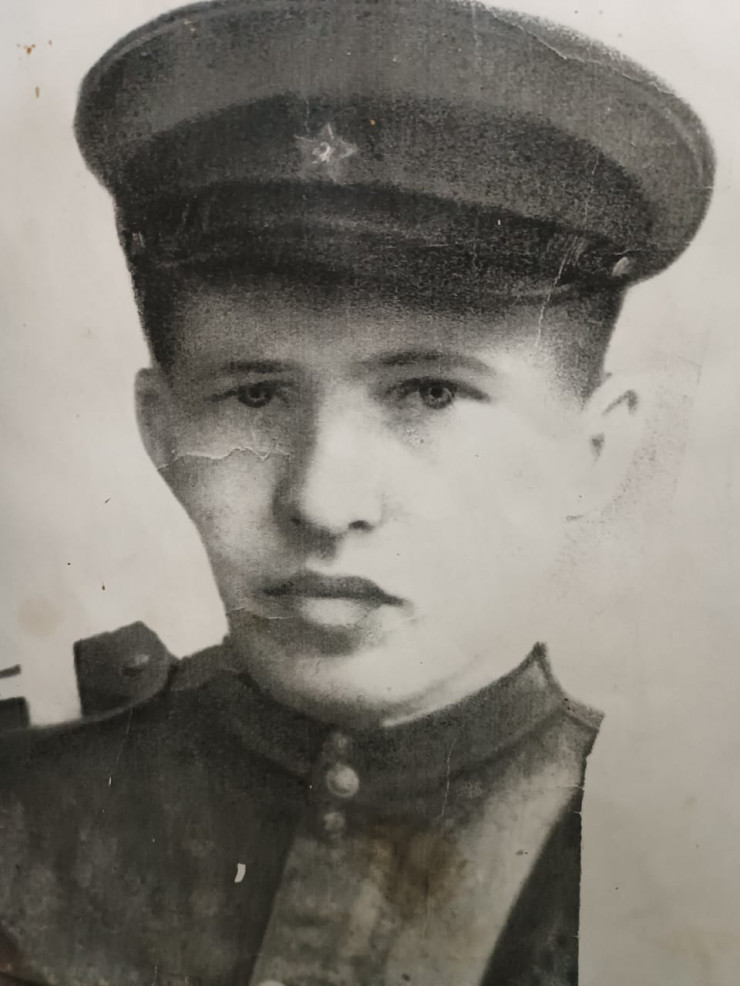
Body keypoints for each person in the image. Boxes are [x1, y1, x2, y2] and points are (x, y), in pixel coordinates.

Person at [0, 0, 713, 983]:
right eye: (254, 395)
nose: (323, 501)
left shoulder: (695, 865)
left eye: (429, 393)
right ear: (161, 432)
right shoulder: (20, 827)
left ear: (595, 449)